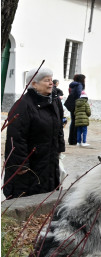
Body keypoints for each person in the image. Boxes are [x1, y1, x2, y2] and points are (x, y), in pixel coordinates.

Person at [3, 67, 65, 198]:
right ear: (34, 83)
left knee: (47, 197)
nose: (51, 83)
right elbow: (16, 137)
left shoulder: (54, 101)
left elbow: (58, 128)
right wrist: (20, 165)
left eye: (51, 80)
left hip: (48, 161)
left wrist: (59, 148)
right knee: (28, 199)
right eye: (46, 80)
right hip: (30, 165)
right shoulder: (22, 105)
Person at [64, 74, 85, 145]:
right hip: (75, 105)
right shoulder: (79, 85)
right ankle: (74, 140)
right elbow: (79, 94)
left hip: (71, 104)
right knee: (75, 123)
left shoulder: (73, 85)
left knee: (73, 122)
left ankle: (71, 140)